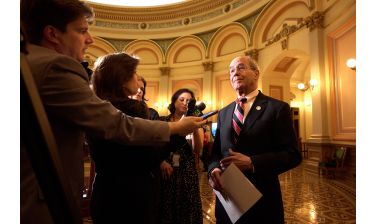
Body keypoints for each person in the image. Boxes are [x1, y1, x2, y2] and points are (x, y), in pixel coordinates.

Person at [20, 0, 205, 223]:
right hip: (47, 195)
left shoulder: (28, 60)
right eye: (82, 31)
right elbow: (116, 125)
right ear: (52, 34)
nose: (90, 39)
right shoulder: (55, 65)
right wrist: (176, 128)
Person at [208, 55, 302, 224]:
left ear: (256, 73)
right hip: (228, 201)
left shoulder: (277, 108)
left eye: (241, 67)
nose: (235, 73)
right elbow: (215, 153)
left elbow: (292, 154)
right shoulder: (224, 113)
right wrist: (213, 170)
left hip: (262, 202)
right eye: (231, 70)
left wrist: (252, 162)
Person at [88, 53, 164, 223]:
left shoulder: (97, 107)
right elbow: (150, 158)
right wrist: (178, 134)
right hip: (132, 196)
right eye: (134, 71)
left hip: (104, 192)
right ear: (122, 79)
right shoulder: (133, 110)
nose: (138, 77)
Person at [159, 88, 204, 224]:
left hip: (187, 171)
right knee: (167, 206)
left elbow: (198, 150)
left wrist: (195, 128)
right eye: (182, 99)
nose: (185, 103)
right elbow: (156, 146)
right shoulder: (163, 120)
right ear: (174, 102)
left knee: (188, 208)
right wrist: (160, 161)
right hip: (167, 169)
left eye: (189, 101)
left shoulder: (195, 122)